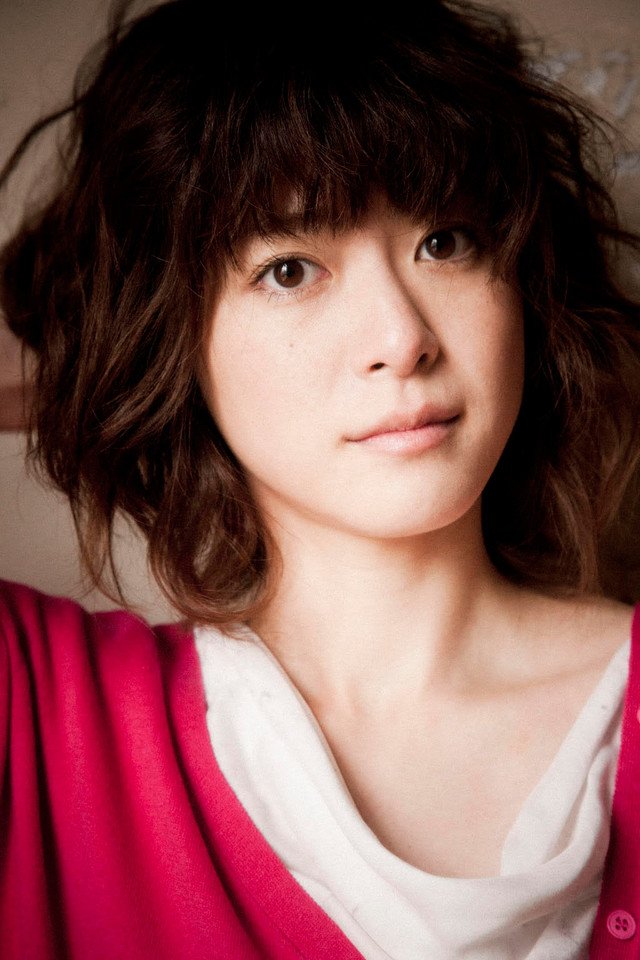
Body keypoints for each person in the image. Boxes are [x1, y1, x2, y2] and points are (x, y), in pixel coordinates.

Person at [1, 0, 639, 957]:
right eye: (291, 269)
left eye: (446, 241)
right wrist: (91, 351)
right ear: (164, 330)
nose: (402, 338)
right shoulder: (43, 714)